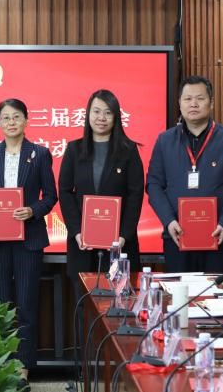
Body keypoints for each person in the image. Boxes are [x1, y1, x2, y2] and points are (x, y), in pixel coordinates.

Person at [0, 98, 58, 386]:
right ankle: (1, 364)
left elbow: (50, 196)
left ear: (26, 120)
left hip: (29, 241)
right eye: (6, 118)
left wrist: (33, 210)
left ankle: (22, 368)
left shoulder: (40, 154)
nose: (11, 122)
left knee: (26, 304)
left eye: (16, 117)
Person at [146, 76, 223, 273]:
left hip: (217, 236)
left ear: (211, 102)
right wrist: (169, 221)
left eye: (200, 98)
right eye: (187, 99)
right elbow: (153, 184)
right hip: (177, 236)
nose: (193, 104)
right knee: (179, 292)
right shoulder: (164, 141)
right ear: (179, 103)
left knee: (215, 291)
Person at [59, 90, 144, 298]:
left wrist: (123, 236)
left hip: (119, 245)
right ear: (88, 114)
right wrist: (76, 231)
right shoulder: (74, 149)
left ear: (116, 117)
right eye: (96, 111)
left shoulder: (129, 150)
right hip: (82, 245)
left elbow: (135, 195)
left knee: (118, 306)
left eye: (108, 112)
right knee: (84, 306)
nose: (101, 118)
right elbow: (65, 192)